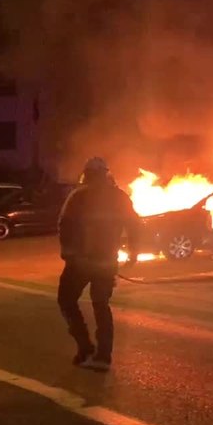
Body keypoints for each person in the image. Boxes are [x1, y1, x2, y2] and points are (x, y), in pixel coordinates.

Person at [57, 157, 138, 372]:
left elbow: (65, 226)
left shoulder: (78, 196)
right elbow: (135, 225)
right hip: (106, 261)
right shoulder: (120, 197)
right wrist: (133, 252)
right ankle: (103, 356)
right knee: (101, 306)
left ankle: (85, 346)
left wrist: (68, 253)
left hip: (80, 262)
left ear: (87, 174)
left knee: (66, 300)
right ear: (106, 174)